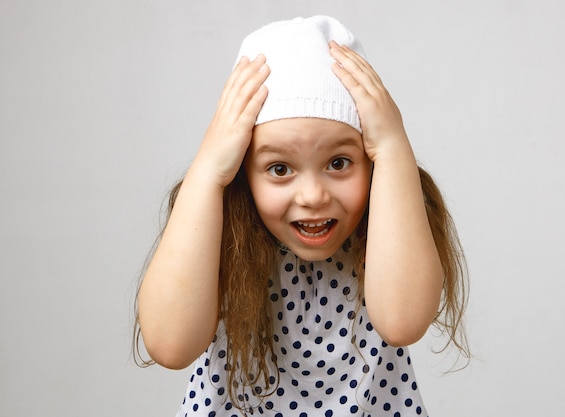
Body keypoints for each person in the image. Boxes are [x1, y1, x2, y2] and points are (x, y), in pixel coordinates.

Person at [134, 15, 469, 417]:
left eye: (339, 162)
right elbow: (170, 345)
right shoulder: (221, 226)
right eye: (279, 169)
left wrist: (394, 145)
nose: (312, 196)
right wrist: (207, 172)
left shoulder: (385, 223)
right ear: (241, 173)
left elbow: (402, 322)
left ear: (373, 163)